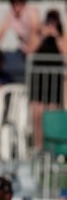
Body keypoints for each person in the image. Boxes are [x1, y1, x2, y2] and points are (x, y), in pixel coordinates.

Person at [29, 10, 65, 152]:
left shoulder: (62, 36)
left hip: (54, 80)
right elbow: (30, 52)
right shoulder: (37, 34)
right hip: (39, 79)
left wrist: (56, 37)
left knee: (52, 115)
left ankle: (52, 148)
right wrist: (43, 35)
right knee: (37, 114)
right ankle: (38, 146)